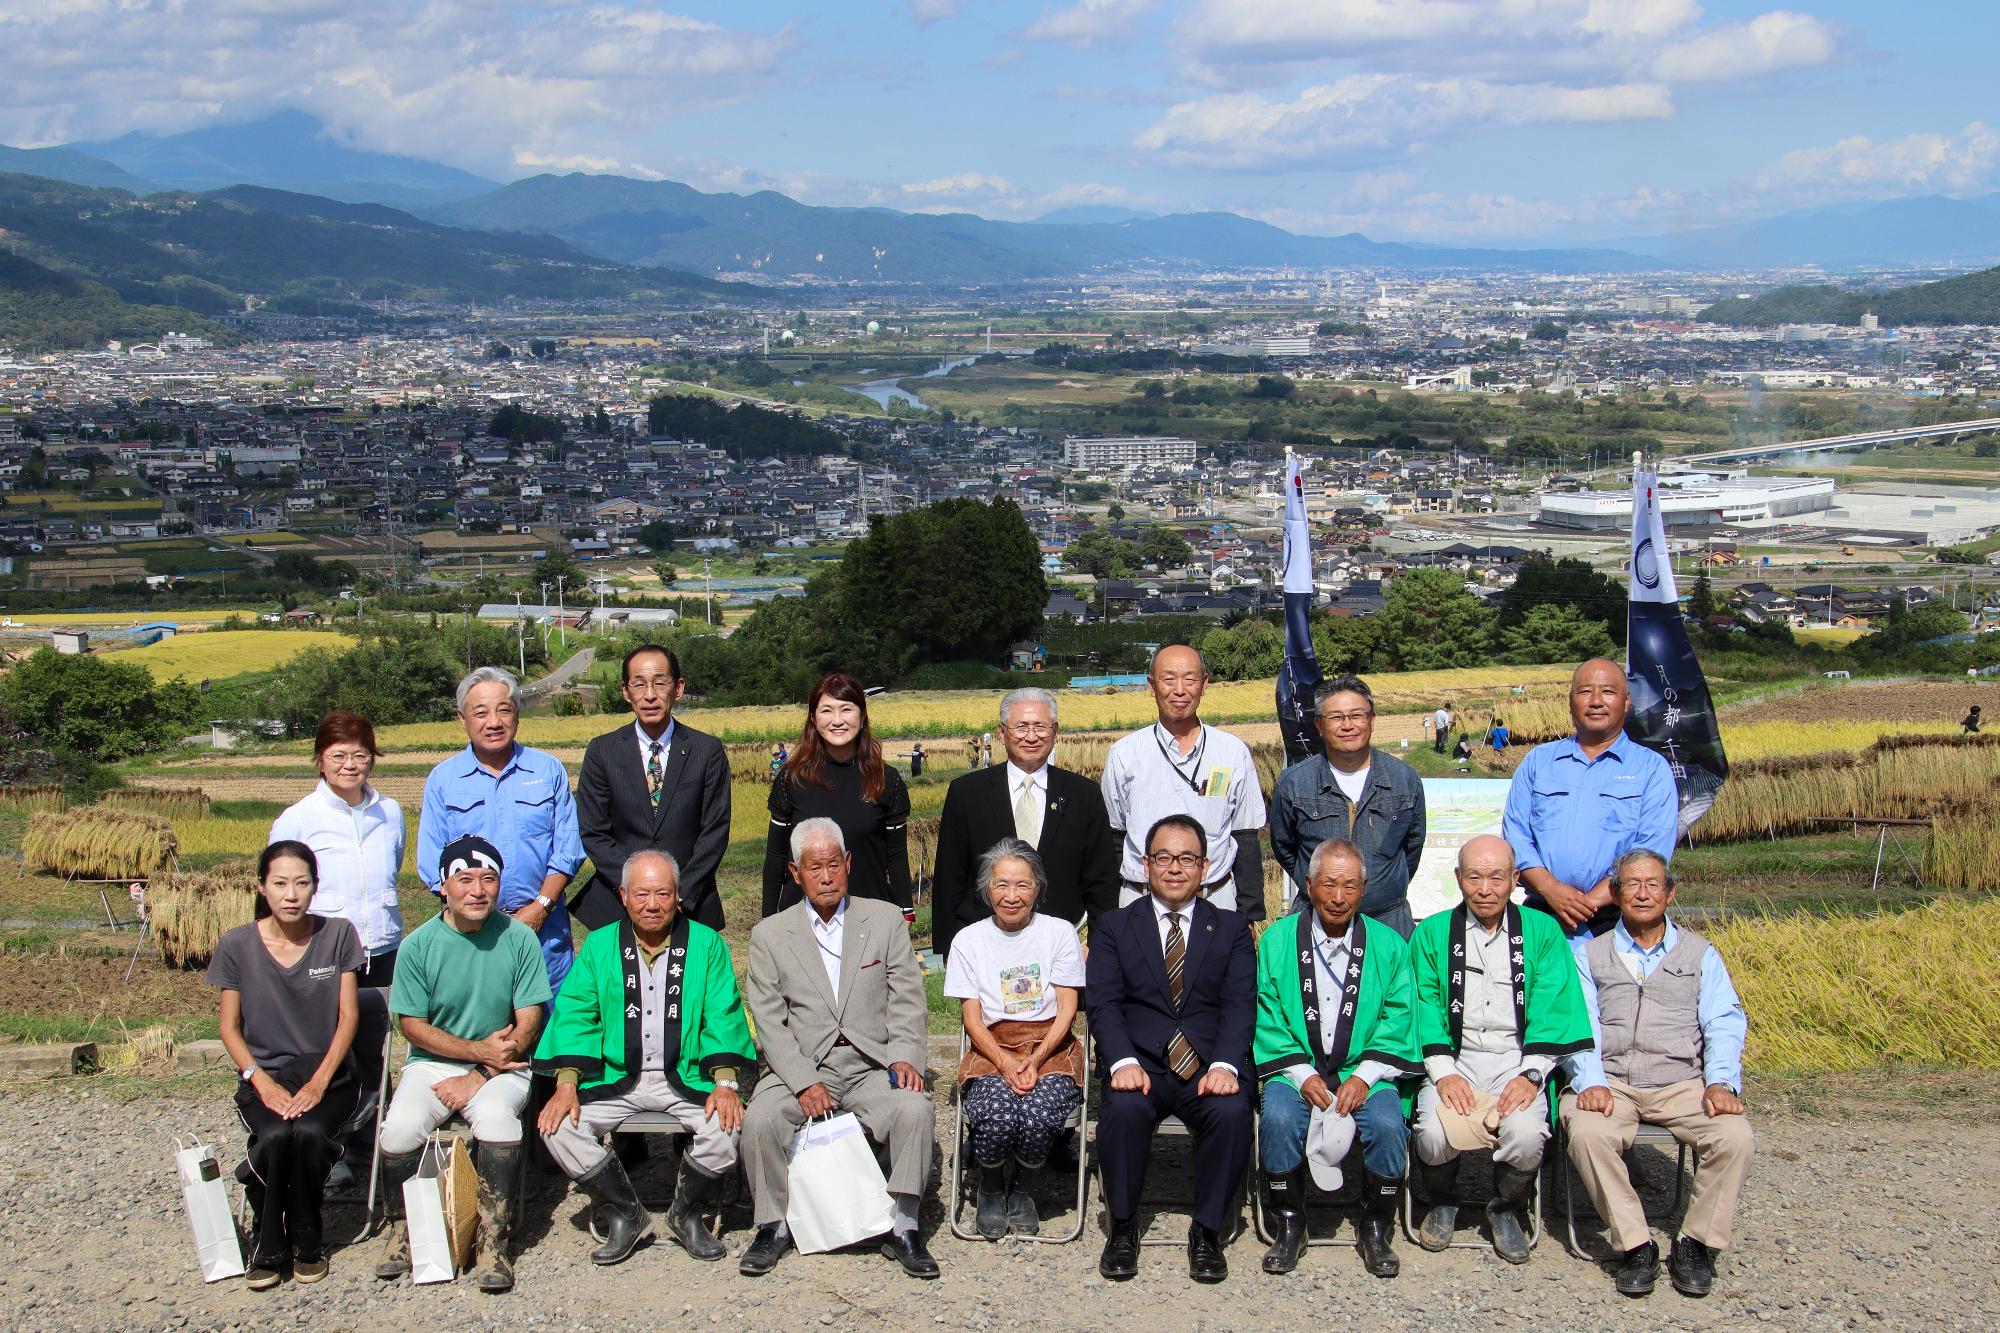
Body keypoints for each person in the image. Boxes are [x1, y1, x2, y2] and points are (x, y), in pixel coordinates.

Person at [739, 818, 939, 1279]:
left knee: (915, 1110)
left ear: (848, 863)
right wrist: (804, 1080)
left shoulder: (884, 919)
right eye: (815, 867)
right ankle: (772, 1225)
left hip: (871, 1063)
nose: (826, 876)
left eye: (834, 864)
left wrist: (905, 1055)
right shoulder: (770, 934)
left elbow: (908, 997)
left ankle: (904, 1225)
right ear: (795, 872)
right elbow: (769, 1019)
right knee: (762, 1118)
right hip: (804, 1063)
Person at [534, 851, 755, 1265]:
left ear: (679, 895)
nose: (652, 904)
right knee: (556, 1126)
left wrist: (725, 1084)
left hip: (686, 1075)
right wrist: (566, 1084)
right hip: (618, 1078)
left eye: (662, 893)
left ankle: (685, 1213)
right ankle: (626, 1213)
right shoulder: (600, 945)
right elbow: (577, 1014)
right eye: (641, 894)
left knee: (728, 1127)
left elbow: (722, 1013)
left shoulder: (707, 944)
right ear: (622, 895)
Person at [1562, 850, 1754, 1299]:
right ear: (1616, 893)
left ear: (1670, 892)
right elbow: (1579, 1023)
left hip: (1681, 1081)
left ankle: (1696, 1243)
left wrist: (1721, 1082)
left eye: (1652, 884)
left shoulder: (1700, 953)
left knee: (1735, 1137)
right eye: (1631, 884)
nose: (1642, 893)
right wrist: (1589, 1080)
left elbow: (1724, 1021)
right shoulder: (1589, 954)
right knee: (1588, 1133)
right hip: (1613, 1080)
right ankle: (1636, 1244)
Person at [376, 835, 551, 1293]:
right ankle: (405, 1229)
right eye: (465, 879)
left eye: (488, 879)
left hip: (505, 1063)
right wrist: (474, 1055)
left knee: (497, 1121)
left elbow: (529, 1021)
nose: (477, 890)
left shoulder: (519, 938)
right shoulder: (418, 946)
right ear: (443, 886)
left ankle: (495, 1241)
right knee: (398, 1129)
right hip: (434, 1063)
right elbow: (412, 1026)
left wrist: (483, 1073)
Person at [1408, 835, 1593, 1264]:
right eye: (1474, 876)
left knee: (1527, 1136)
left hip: (1517, 1059)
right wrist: (1443, 1070)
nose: (1485, 888)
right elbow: (1423, 1005)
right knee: (1432, 1134)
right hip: (1454, 1058)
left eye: (1496, 877)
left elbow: (1553, 1005)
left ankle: (1505, 1207)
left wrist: (1531, 1075)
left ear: (1514, 880)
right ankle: (1443, 1201)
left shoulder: (1542, 931)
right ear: (1458, 878)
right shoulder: (1433, 933)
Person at [1087, 814, 1255, 1284]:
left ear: (1204, 866)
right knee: (1121, 1111)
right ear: (1146, 864)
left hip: (1206, 1064)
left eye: (1186, 859)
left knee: (1231, 1113)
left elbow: (1239, 1003)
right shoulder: (1115, 927)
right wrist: (1120, 1060)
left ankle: (1206, 1231)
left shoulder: (1232, 928)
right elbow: (1103, 1001)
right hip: (1139, 1063)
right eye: (1164, 857)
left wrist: (1225, 1064)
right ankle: (1122, 1227)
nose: (1175, 868)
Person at [1252, 838, 1419, 1278]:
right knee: (1279, 1120)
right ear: (1308, 885)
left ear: (1364, 889)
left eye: (1349, 886)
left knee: (1386, 1123)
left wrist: (1365, 1076)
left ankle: (1376, 1226)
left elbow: (1399, 1015)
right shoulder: (1277, 940)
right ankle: (1289, 1222)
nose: (1338, 897)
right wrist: (1302, 1073)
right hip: (1294, 1068)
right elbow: (1266, 1012)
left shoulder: (1389, 945)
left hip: (1365, 1069)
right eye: (1328, 884)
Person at [209, 841, 364, 1289]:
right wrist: (260, 1081)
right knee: (276, 1134)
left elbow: (349, 1017)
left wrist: (319, 1083)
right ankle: (275, 1239)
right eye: (280, 884)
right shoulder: (238, 943)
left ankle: (301, 1237)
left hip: (330, 1075)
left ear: (315, 887)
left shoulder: (338, 935)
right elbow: (229, 1028)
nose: (291, 894)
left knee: (311, 1132)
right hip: (265, 1076)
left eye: (301, 883)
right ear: (262, 887)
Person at [267, 710, 404, 1186]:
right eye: (338, 755)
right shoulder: (299, 819)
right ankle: (330, 1151)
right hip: (321, 953)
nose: (350, 764)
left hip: (381, 947)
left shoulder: (389, 811)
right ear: (320, 761)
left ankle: (372, 1149)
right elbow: (280, 890)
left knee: (375, 1051)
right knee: (324, 1051)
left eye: (361, 755)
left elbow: (395, 865)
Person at [943, 838, 1085, 1239]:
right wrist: (1005, 1063)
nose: (1011, 896)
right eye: (1001, 884)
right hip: (991, 1045)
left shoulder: (1058, 933)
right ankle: (989, 1188)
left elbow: (1068, 1007)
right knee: (997, 1114)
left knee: (1040, 1114)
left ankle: (1023, 1190)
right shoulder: (968, 940)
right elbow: (972, 1018)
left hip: (1050, 1045)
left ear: (1037, 888)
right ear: (987, 889)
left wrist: (1036, 1061)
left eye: (1022, 885)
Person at [417, 666, 585, 992]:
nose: (494, 722)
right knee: (482, 1034)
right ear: (462, 719)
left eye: (504, 710)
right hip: (471, 933)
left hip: (543, 930)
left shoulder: (547, 769)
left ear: (517, 715)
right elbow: (431, 863)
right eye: (480, 713)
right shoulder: (443, 779)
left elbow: (568, 849)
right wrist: (477, 912)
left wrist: (540, 907)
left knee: (550, 1033)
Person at [931, 687, 1119, 962]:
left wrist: (1101, 946)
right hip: (986, 942)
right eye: (1021, 727)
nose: (1031, 736)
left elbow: (1101, 880)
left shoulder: (1084, 794)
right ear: (1001, 732)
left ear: (1055, 732)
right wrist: (949, 946)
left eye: (1041, 727)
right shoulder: (967, 793)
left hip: (1061, 944)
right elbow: (950, 875)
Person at [1502, 658, 1678, 938]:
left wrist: (1592, 901)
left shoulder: (1651, 769)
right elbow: (1516, 834)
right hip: (1542, 913)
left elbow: (1653, 846)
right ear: (1571, 701)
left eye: (1608, 691)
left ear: (1626, 701)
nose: (1596, 701)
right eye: (1585, 692)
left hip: (1619, 918)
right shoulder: (1538, 762)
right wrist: (1550, 888)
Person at [1100, 645, 1267, 922]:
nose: (1179, 690)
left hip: (1215, 900)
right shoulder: (1125, 753)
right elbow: (1114, 837)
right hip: (1140, 902)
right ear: (1151, 686)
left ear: (1204, 684)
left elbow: (1245, 836)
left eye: (1189, 679)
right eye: (1168, 679)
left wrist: (1249, 915)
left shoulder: (1232, 751)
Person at [572, 645, 732, 931]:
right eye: (639, 684)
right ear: (625, 691)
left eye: (660, 683)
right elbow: (594, 832)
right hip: (618, 903)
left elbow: (714, 831)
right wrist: (635, 892)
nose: (649, 695)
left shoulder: (706, 751)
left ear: (678, 688)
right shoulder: (603, 751)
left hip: (689, 904)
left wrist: (679, 893)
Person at [1269, 676, 1427, 936]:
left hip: (1387, 923)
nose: (1348, 725)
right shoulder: (1295, 783)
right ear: (1319, 725)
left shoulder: (1404, 779)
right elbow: (1285, 848)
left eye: (1356, 715)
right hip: (1316, 922)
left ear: (1372, 720)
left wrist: (1380, 887)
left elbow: (1412, 847)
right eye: (1336, 717)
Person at [760, 673, 913, 919]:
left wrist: (906, 910)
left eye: (846, 709)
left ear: (862, 717)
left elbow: (895, 855)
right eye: (827, 711)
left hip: (870, 915)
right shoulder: (791, 779)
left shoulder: (886, 779)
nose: (837, 720)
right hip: (803, 918)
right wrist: (769, 917)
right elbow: (776, 855)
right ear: (813, 718)